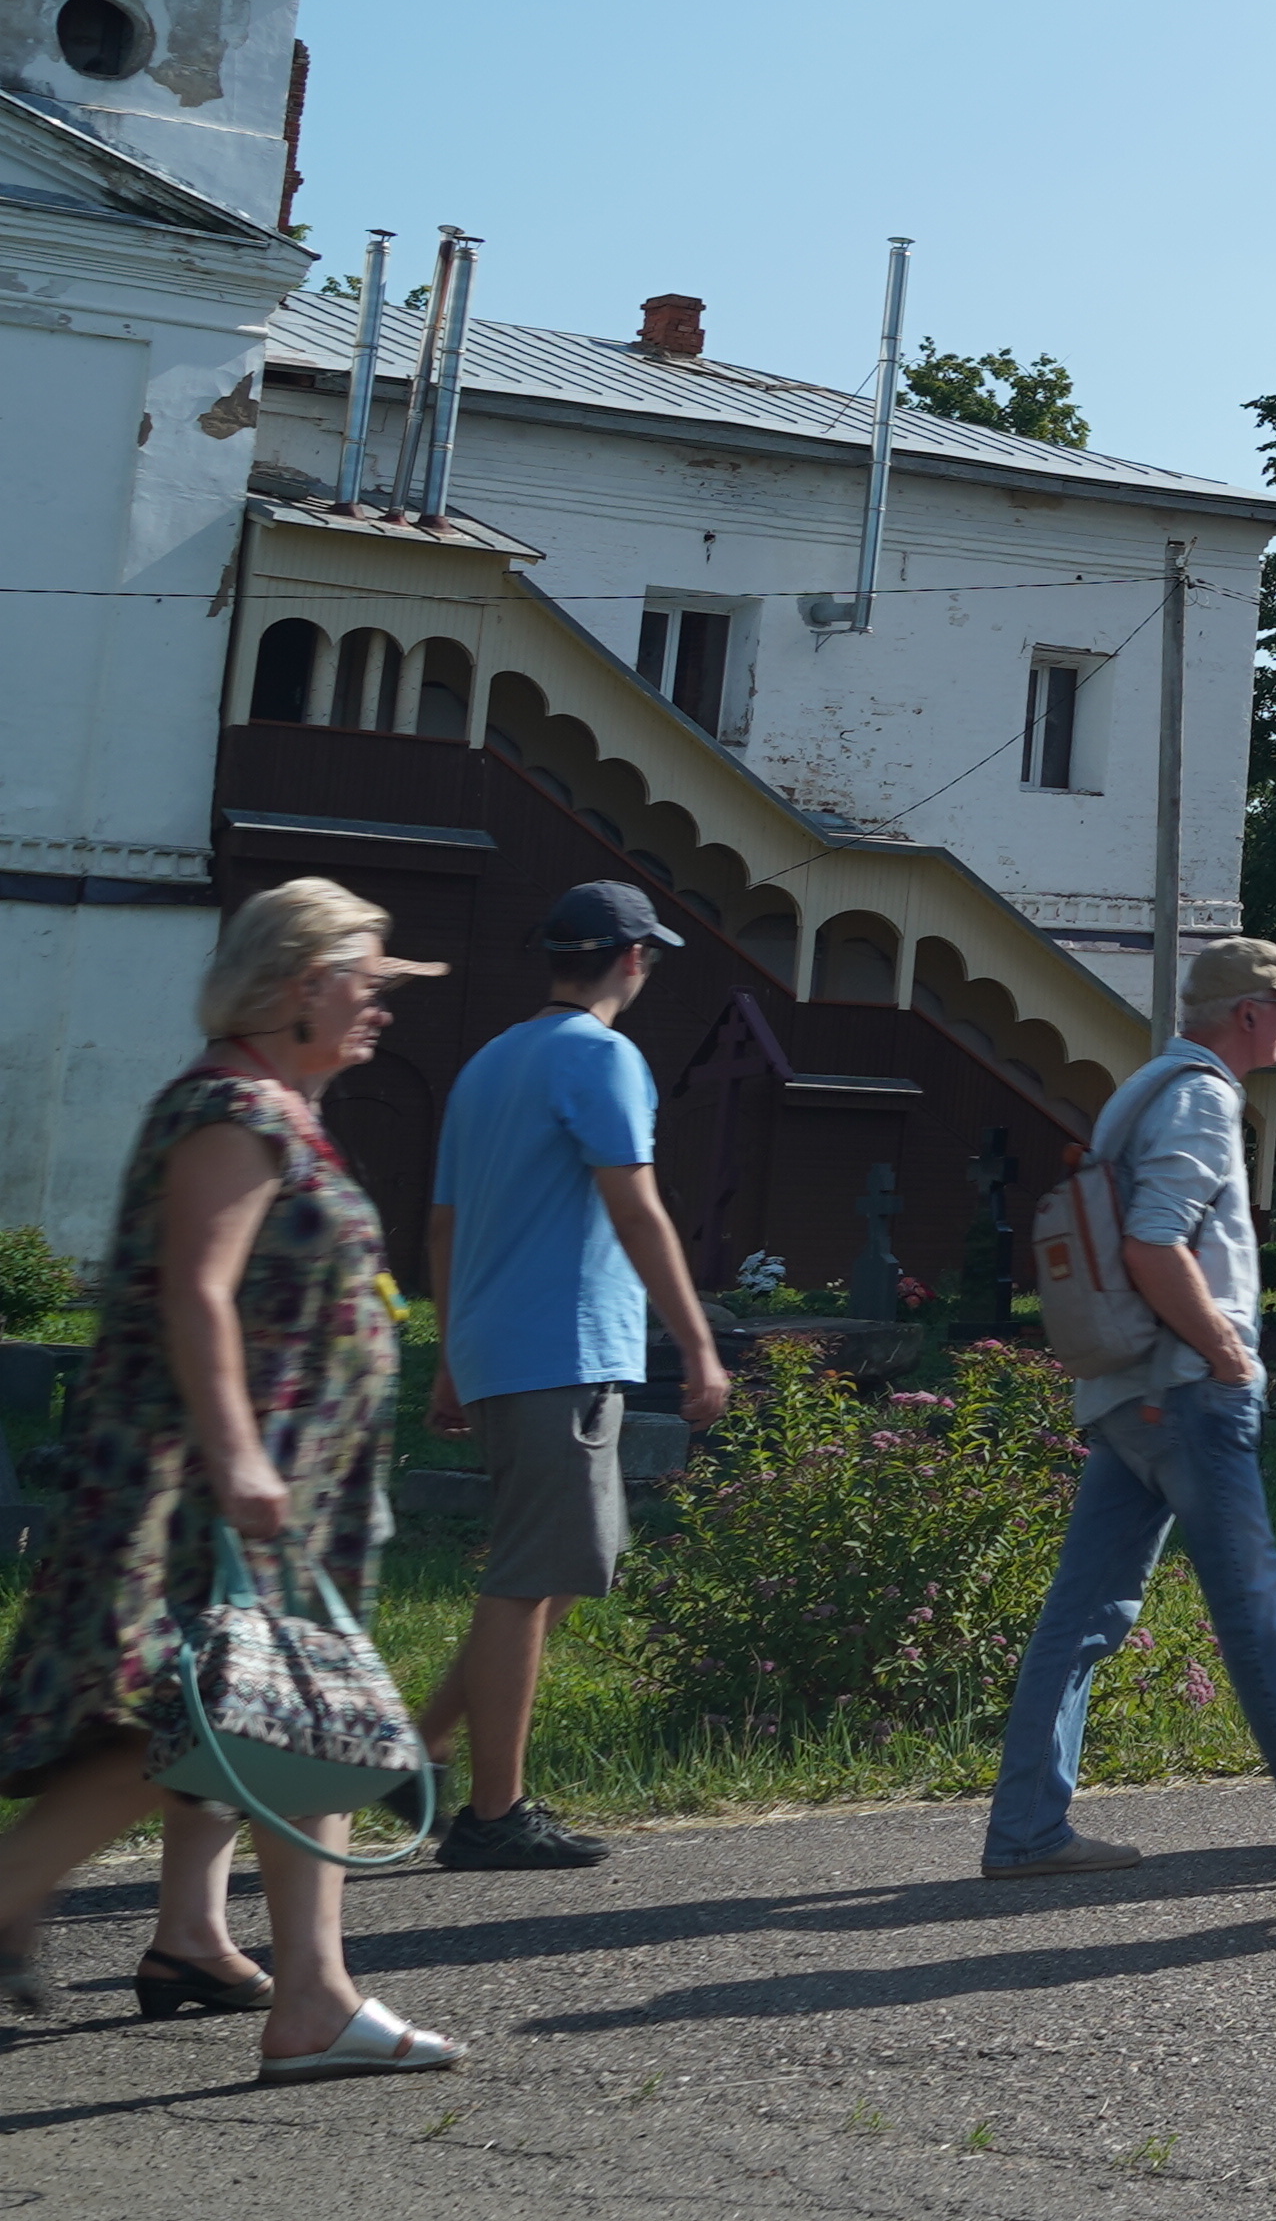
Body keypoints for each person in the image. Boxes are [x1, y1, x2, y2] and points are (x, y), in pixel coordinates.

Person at [0, 880, 452, 2077]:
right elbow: (198, 1287)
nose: (379, 1010)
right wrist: (244, 1453)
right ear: (303, 984)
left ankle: (311, 1998)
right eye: (366, 981)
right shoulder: (231, 1109)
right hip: (212, 1488)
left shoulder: (273, 1107)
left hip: (276, 1486)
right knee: (185, 1729)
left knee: (286, 1729)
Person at [981, 933, 1276, 1904]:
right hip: (1184, 1392)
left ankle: (1026, 1826)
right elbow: (1153, 1243)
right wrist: (1223, 1348)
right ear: (1246, 1013)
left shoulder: (1140, 1087)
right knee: (1256, 1604)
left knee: (1083, 1614)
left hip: (1124, 1391)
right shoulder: (1205, 1095)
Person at [411, 877, 731, 1873]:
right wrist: (701, 1344)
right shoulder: (603, 1057)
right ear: (634, 958)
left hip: (502, 1346)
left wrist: (451, 1356)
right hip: (565, 1345)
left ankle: (416, 1752)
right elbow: (634, 1208)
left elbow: (443, 1225)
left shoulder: (487, 1063)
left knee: (549, 1572)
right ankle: (491, 1812)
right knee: (534, 1575)